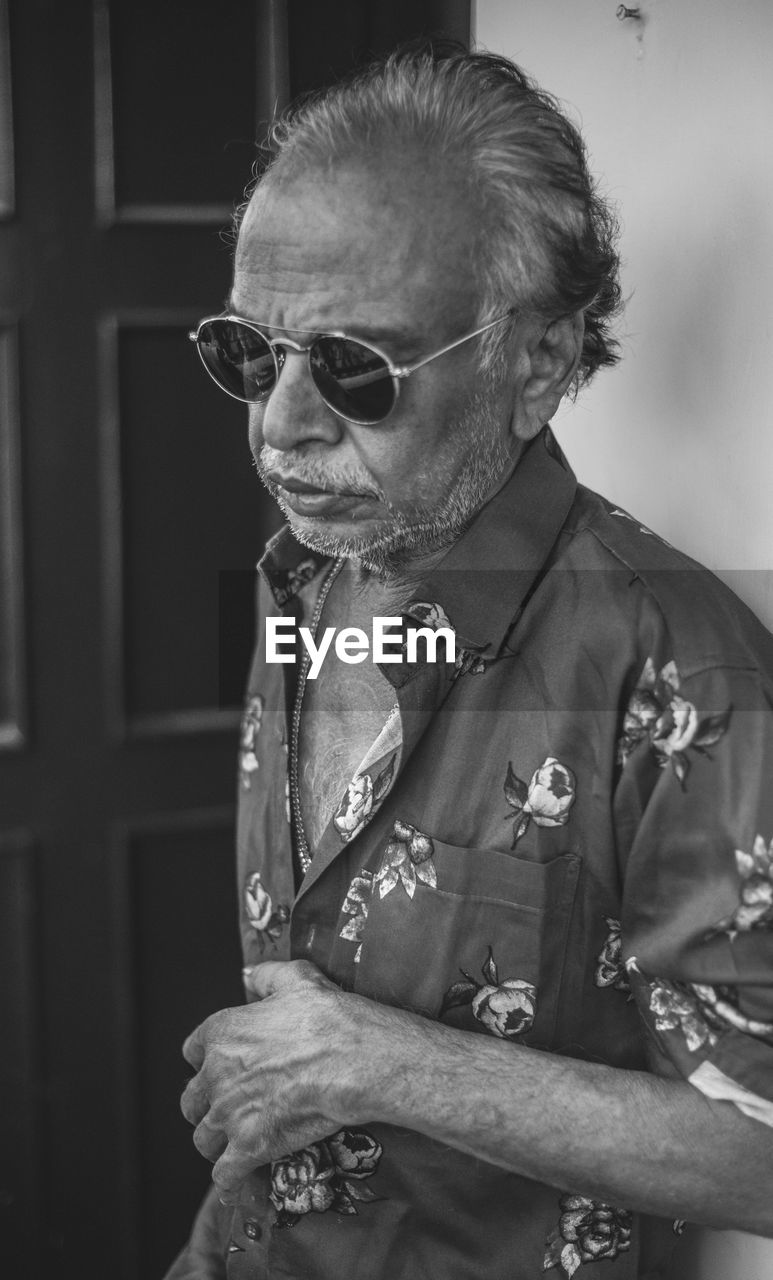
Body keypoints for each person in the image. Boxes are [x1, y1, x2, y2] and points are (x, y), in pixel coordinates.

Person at [167, 42, 773, 1280]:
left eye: (353, 367)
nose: (279, 424)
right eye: (248, 352)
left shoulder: (687, 672)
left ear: (535, 364)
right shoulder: (308, 565)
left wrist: (378, 1060)